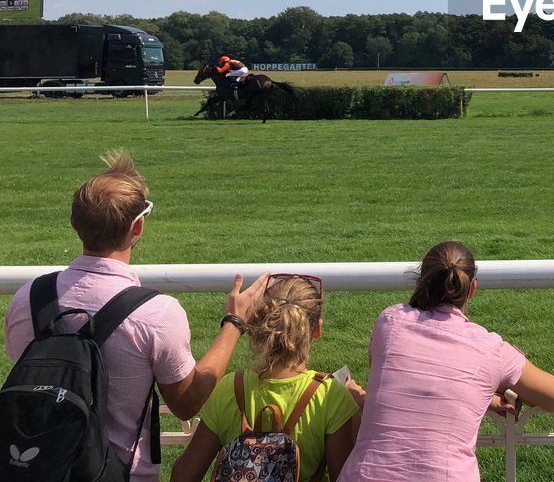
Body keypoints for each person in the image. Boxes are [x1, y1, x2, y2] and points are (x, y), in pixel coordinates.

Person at [4, 150, 268, 482]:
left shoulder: (27, 298)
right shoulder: (156, 313)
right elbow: (187, 403)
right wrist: (234, 323)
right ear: (138, 226)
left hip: (32, 468)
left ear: (74, 223)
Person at [339, 240, 554, 482]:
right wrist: (489, 387)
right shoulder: (490, 348)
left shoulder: (389, 322)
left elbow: (401, 381)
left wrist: (482, 394)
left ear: (420, 282)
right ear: (472, 289)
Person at [171, 274, 361, 482]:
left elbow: (183, 475)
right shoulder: (330, 395)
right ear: (316, 329)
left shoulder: (229, 387)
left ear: (259, 324)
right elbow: (344, 476)